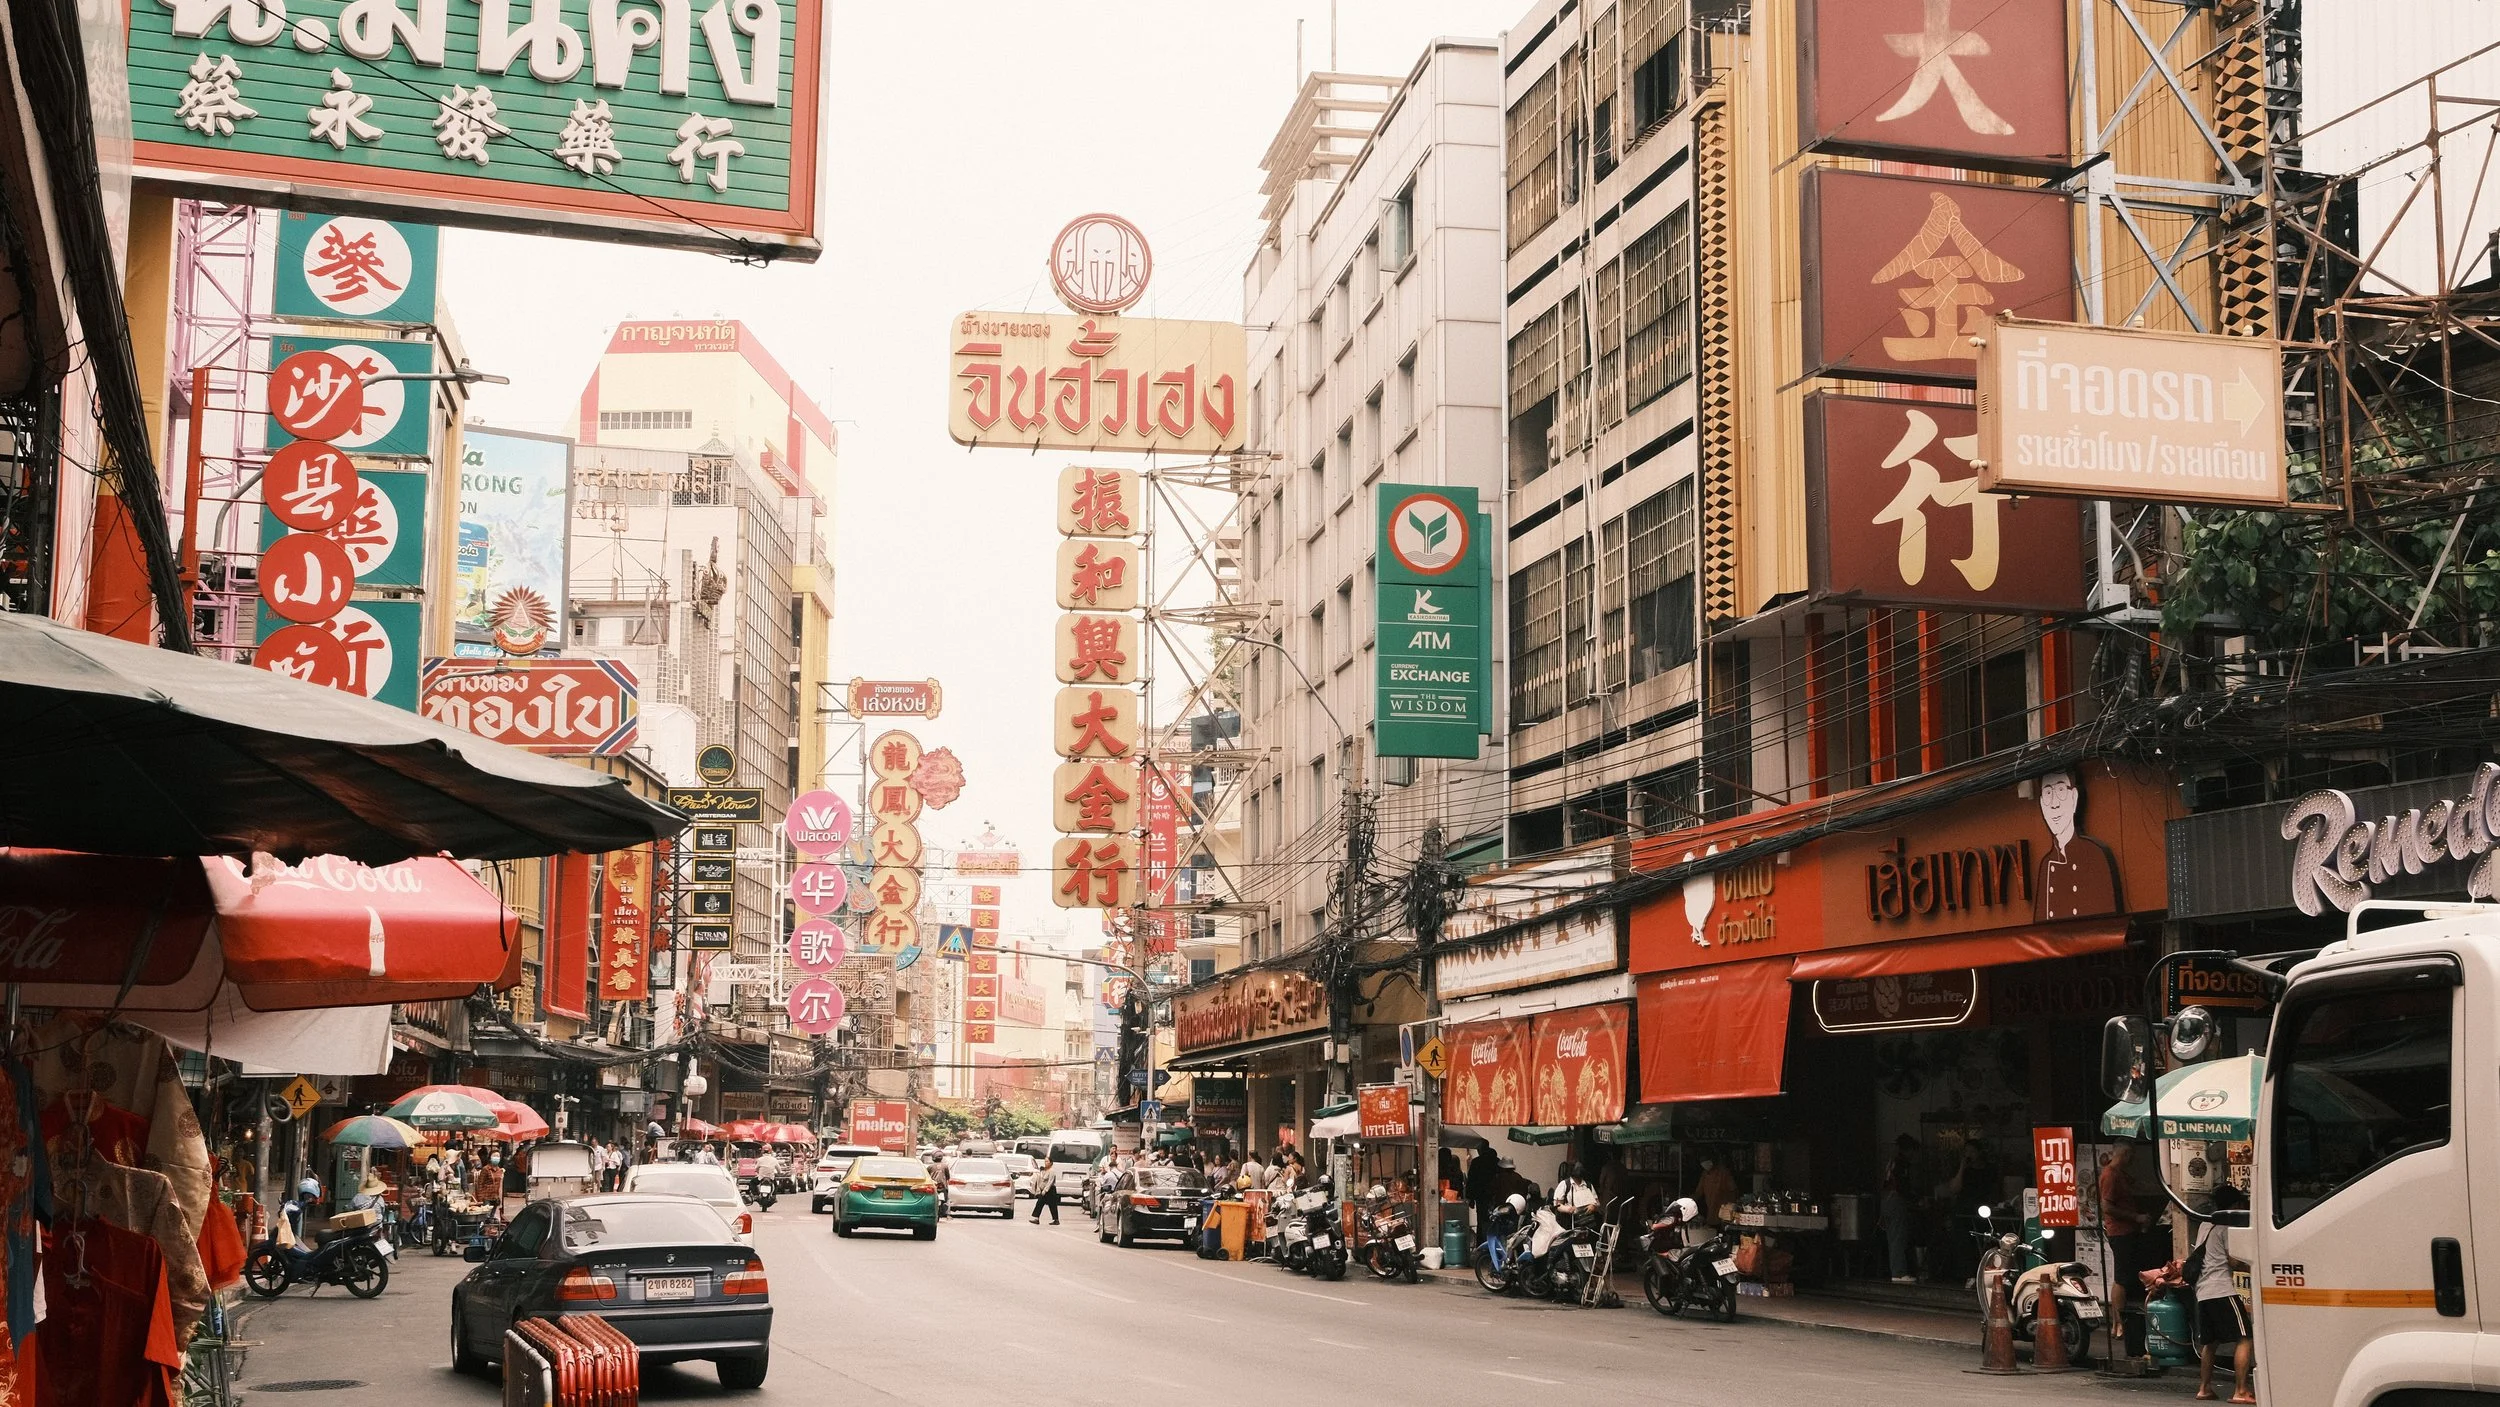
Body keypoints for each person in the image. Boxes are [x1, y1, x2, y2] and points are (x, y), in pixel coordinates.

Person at [2192, 1188, 2255, 1404]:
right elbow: (2234, 1260)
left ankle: (2204, 1388)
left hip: (2203, 1292)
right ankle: (2240, 1390)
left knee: (2211, 1342)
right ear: (2236, 1206)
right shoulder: (2227, 1227)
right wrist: (2256, 1268)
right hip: (2222, 1289)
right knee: (2245, 1337)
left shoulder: (2204, 1225)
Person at [2100, 1141, 2162, 1359]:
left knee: (2126, 1276)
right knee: (2122, 1278)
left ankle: (2120, 1322)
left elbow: (2138, 1187)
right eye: (2132, 1155)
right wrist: (2136, 1217)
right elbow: (2107, 1206)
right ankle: (2118, 1323)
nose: (2133, 1159)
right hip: (2119, 1232)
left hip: (2128, 1230)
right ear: (2125, 1154)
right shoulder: (2110, 1175)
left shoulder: (2121, 1174)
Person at [1880, 1134, 1922, 1283]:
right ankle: (1898, 1273)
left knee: (1893, 1237)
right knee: (1898, 1236)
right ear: (1909, 1150)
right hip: (1896, 1201)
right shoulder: (1902, 1164)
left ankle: (1897, 1271)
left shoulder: (1892, 1161)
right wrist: (1916, 1200)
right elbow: (1902, 1187)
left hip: (1886, 1200)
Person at [1693, 1154, 1738, 1226]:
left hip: (1725, 1212)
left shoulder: (1723, 1172)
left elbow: (1733, 1190)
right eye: (1702, 1161)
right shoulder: (1705, 1174)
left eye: (1706, 1160)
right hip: (1711, 1212)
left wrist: (1730, 1207)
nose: (1704, 1163)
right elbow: (1699, 1192)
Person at [1029, 1153, 1062, 1225]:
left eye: (1047, 1161)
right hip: (1044, 1190)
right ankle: (1036, 1218)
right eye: (1045, 1161)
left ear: (1051, 1163)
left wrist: (1045, 1190)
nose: (1046, 1163)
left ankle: (1056, 1219)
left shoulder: (1052, 1171)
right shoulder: (1044, 1170)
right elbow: (1041, 1180)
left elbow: (1050, 1182)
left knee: (1052, 1205)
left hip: (1050, 1190)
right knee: (1039, 1203)